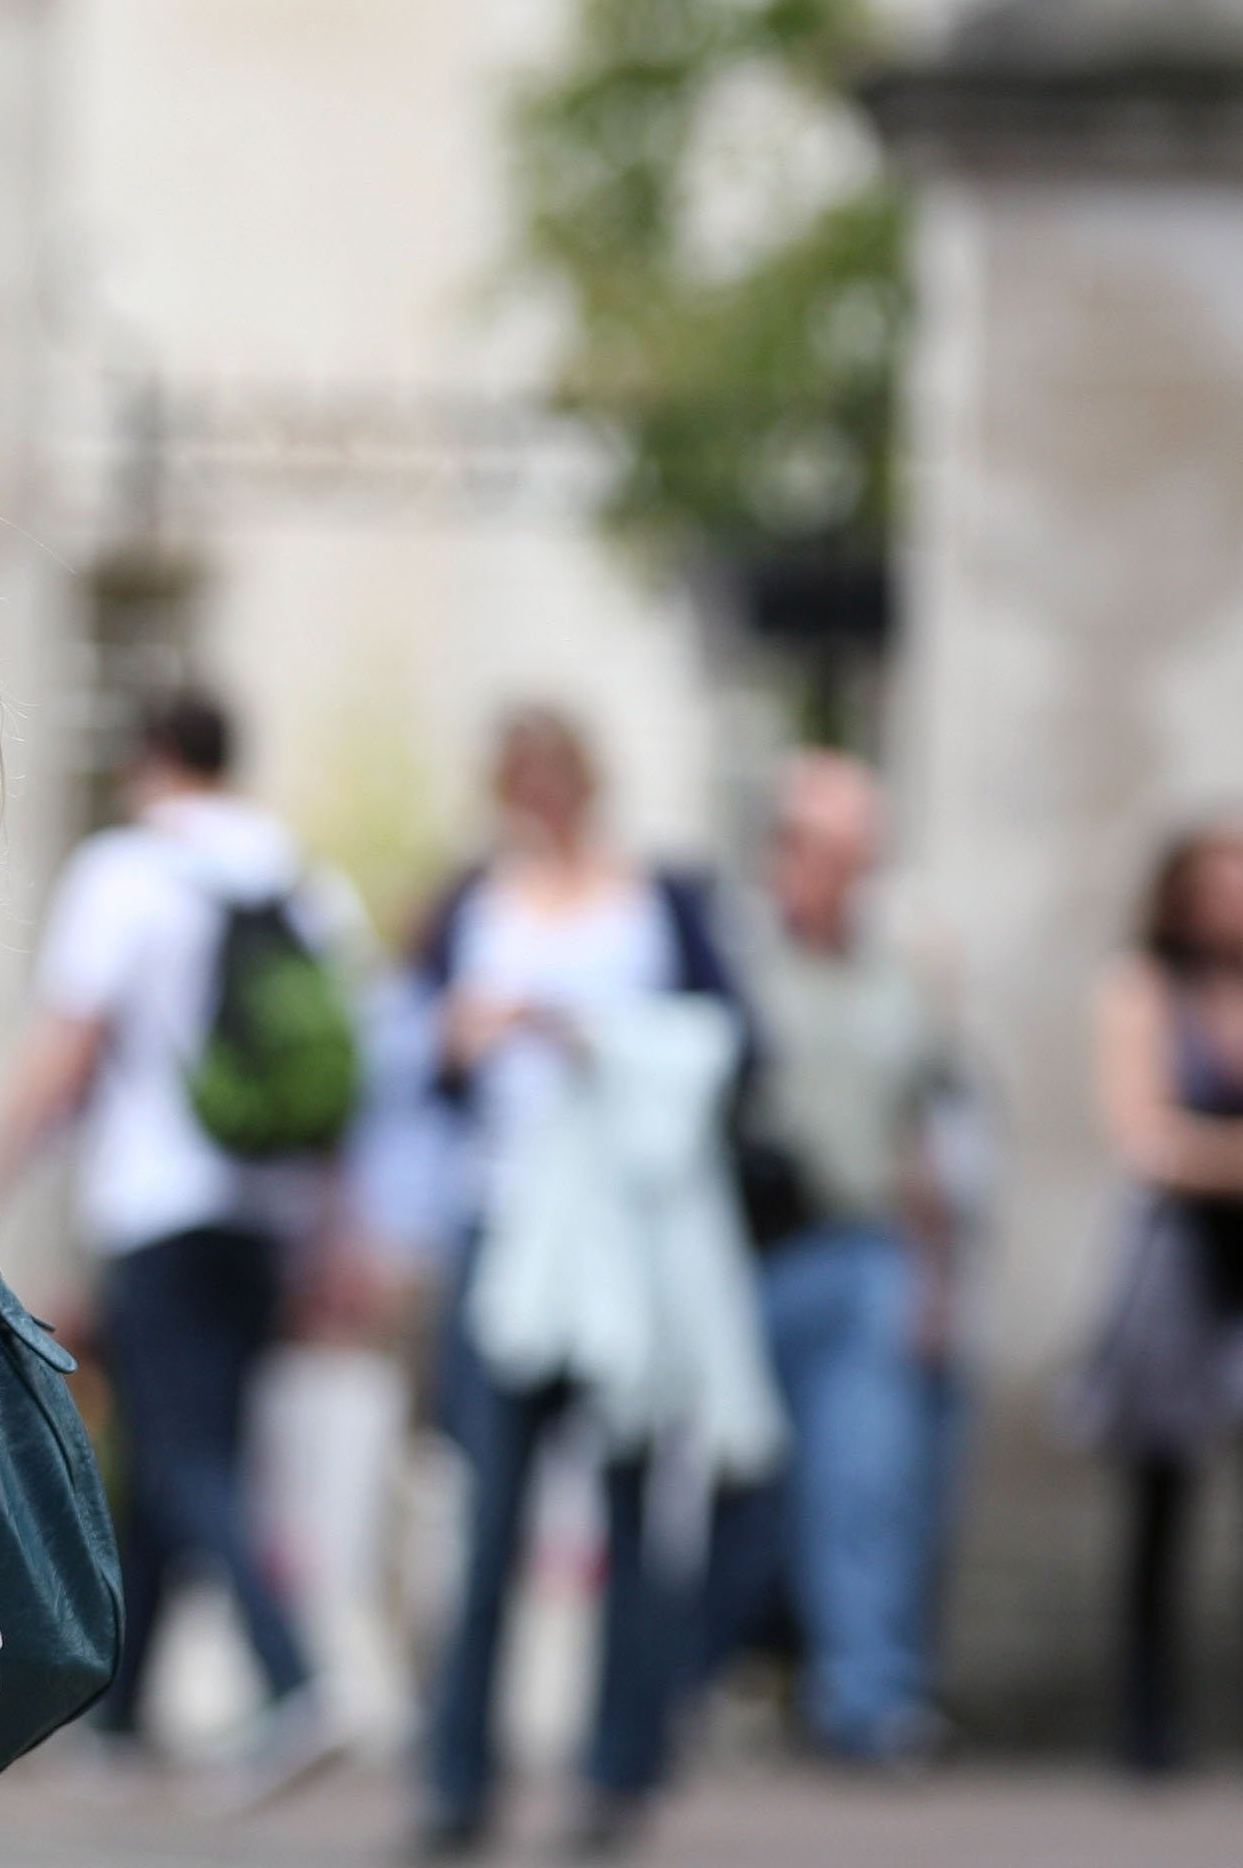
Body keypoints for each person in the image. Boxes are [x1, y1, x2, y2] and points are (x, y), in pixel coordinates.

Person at [0, 687, 350, 1801]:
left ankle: (296, 1686)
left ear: (152, 757)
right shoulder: (303, 882)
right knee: (165, 1446)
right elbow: (344, 1069)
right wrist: (339, 1232)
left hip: (161, 1204)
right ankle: (118, 1712)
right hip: (268, 1215)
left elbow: (72, 1045)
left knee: (192, 1462)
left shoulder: (129, 871)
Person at [407, 707, 754, 1858]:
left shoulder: (661, 896)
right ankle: (460, 1782)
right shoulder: (472, 902)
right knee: (491, 1516)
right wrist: (466, 1038)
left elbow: (729, 1047)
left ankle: (621, 1770)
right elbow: (419, 1068)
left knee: (626, 1512)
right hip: (504, 1233)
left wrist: (596, 1036)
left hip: (627, 1242)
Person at [695, 754, 962, 1767]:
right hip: (746, 1253)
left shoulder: (900, 969)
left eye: (865, 852)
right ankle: (693, 1676)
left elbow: (923, 1132)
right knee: (737, 1492)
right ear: (786, 850)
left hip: (865, 1248)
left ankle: (870, 1699)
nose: (851, 870)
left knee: (866, 1480)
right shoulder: (734, 954)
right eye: (833, 848)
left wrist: (934, 1276)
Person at [1075, 819, 1243, 1778]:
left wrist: (1214, 1155)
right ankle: (1147, 1730)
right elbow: (1144, 1138)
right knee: (1162, 1503)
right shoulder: (1141, 990)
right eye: (1226, 884)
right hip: (1173, 1275)